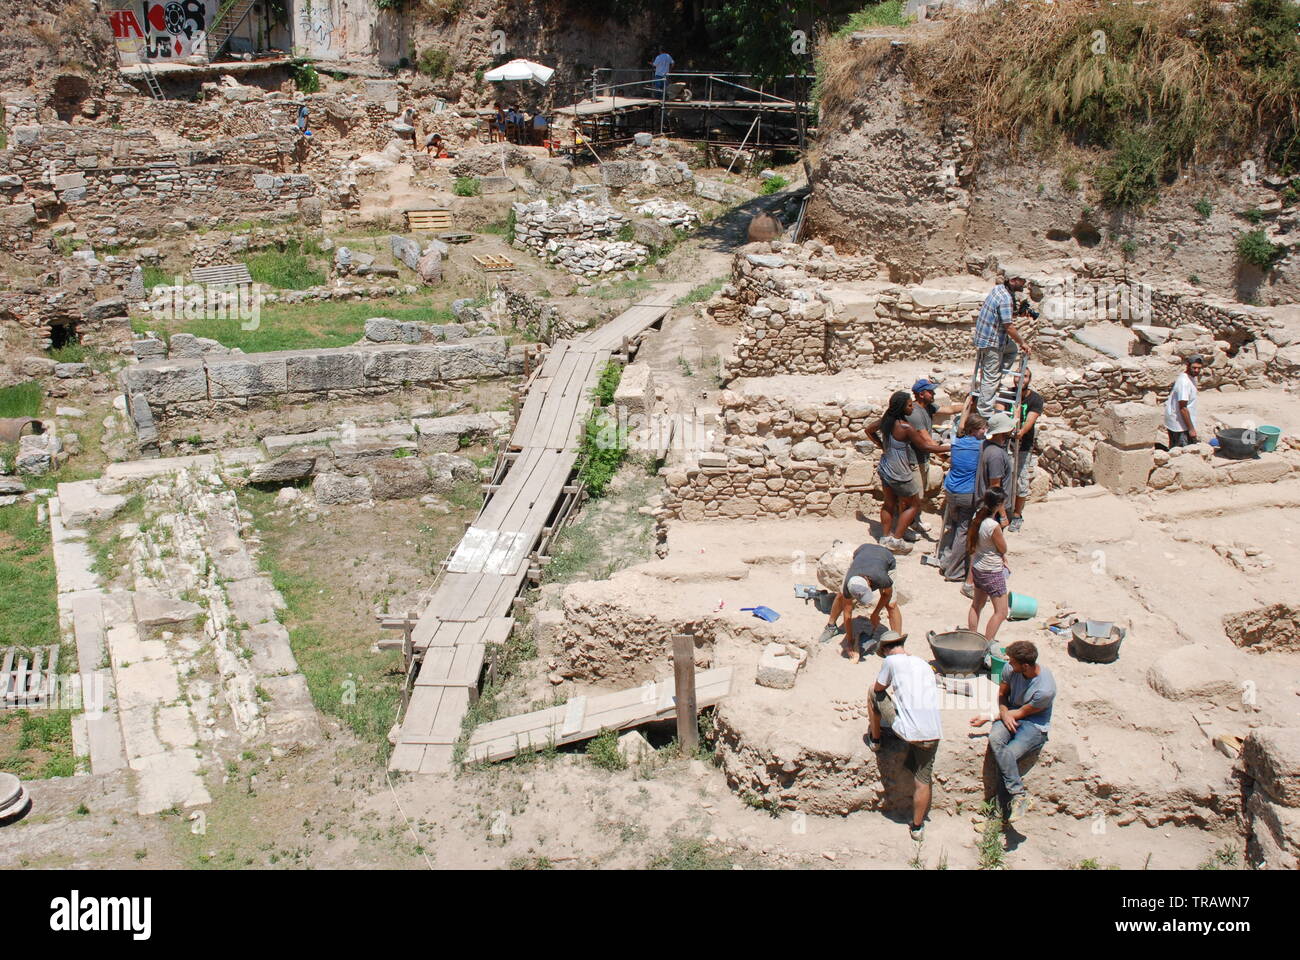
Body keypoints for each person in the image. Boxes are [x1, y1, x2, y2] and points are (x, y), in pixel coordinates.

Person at [867, 631, 942, 841]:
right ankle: (917, 828)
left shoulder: (891, 662)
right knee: (922, 780)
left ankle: (875, 740)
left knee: (872, 692)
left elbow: (880, 688)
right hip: (933, 732)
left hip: (910, 731)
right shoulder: (924, 664)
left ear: (885, 650)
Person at [969, 639, 1056, 822]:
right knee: (996, 739)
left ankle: (1000, 817)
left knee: (1007, 756)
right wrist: (1002, 712)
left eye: (1012, 661)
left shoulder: (1045, 689)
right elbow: (1002, 695)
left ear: (1025, 666)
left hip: (1033, 724)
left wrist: (992, 717)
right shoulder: (1010, 669)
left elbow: (1024, 712)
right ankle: (1017, 798)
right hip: (1008, 713)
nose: (1008, 664)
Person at [868, 390, 949, 555]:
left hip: (885, 468)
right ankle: (897, 540)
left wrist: (882, 446)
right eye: (909, 405)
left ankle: (885, 537)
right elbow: (926, 447)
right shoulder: (905, 427)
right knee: (913, 504)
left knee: (889, 503)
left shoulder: (886, 422)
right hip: (900, 472)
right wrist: (951, 447)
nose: (912, 408)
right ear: (902, 407)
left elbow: (869, 430)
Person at [815, 541, 901, 662]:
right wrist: (850, 642)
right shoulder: (849, 584)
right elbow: (847, 613)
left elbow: (887, 594)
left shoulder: (881, 577)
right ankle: (831, 626)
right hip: (862, 552)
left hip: (885, 557)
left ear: (869, 583)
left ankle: (897, 644)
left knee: (891, 604)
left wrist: (875, 613)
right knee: (841, 596)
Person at [905, 378, 964, 538]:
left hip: (922, 458)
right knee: (914, 496)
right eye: (930, 391)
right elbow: (927, 441)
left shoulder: (928, 407)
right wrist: (946, 458)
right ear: (921, 394)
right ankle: (904, 529)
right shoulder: (915, 414)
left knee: (919, 495)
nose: (934, 393)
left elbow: (949, 410)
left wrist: (968, 406)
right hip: (913, 460)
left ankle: (914, 522)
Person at [973, 277, 1033, 418]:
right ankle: (985, 414)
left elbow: (1002, 314)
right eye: (1021, 281)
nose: (1024, 284)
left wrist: (1018, 313)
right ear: (1012, 281)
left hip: (988, 338)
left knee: (1011, 350)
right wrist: (1022, 342)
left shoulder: (999, 289)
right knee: (990, 378)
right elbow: (1009, 327)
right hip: (992, 341)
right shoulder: (1006, 298)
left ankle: (993, 378)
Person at [937, 413, 986, 581]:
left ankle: (945, 562)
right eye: (982, 428)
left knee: (954, 526)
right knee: (963, 532)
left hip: (952, 490)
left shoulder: (956, 443)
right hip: (967, 493)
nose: (985, 431)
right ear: (973, 430)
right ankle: (954, 571)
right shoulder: (981, 447)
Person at [996, 368, 1043, 533]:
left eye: (1026, 376)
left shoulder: (1035, 399)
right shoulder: (1005, 395)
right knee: (1000, 481)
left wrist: (1019, 430)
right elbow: (1000, 415)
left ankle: (1016, 514)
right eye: (1018, 376)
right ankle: (1001, 513)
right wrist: (1009, 429)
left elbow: (1029, 421)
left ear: (1030, 379)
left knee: (1021, 482)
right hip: (1003, 444)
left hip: (1023, 446)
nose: (1021, 379)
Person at [966, 489, 1011, 645]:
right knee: (1001, 612)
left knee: (976, 605)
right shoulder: (993, 526)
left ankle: (972, 638)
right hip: (991, 571)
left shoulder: (977, 517)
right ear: (998, 505)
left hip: (978, 567)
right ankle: (987, 643)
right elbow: (1003, 548)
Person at [1163, 354, 1204, 448]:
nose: (1196, 370)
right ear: (1188, 366)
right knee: (1181, 450)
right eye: (1194, 368)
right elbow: (1183, 407)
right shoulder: (1184, 382)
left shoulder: (1191, 378)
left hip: (1180, 421)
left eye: (1199, 368)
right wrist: (1191, 429)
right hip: (1179, 423)